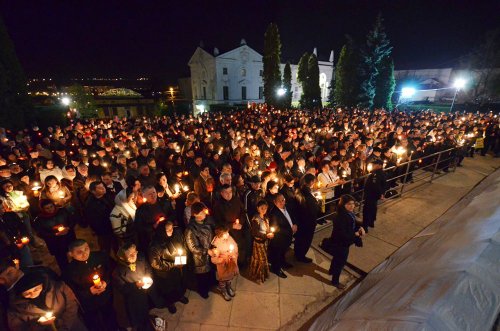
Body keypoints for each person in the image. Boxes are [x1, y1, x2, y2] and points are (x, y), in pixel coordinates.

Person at [63, 239, 117, 330]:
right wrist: (89, 291)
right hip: (88, 303)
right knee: (95, 323)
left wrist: (105, 282)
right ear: (70, 254)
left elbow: (112, 269)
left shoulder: (100, 256)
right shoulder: (69, 271)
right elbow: (70, 291)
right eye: (79, 252)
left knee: (110, 316)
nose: (85, 254)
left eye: (86, 249)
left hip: (106, 296)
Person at [7, 270, 87, 330]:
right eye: (27, 293)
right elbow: (18, 327)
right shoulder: (16, 308)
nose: (33, 294)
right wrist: (39, 324)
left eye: (36, 289)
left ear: (43, 284)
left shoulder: (59, 288)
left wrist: (64, 326)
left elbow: (72, 305)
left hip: (72, 325)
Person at [112, 242, 157, 331]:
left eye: (135, 252)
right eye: (130, 254)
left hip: (144, 292)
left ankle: (147, 321)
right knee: (137, 314)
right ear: (121, 257)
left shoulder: (141, 258)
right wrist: (135, 285)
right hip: (133, 297)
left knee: (145, 308)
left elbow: (148, 269)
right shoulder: (117, 272)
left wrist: (148, 278)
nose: (134, 255)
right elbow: (122, 288)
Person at [149, 221, 189, 314]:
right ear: (162, 231)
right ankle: (170, 303)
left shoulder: (174, 236)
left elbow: (182, 247)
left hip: (176, 269)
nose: (172, 231)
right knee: (168, 289)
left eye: (172, 228)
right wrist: (173, 264)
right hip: (165, 273)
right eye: (169, 229)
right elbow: (155, 263)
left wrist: (183, 257)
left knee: (178, 284)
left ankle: (180, 296)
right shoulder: (155, 245)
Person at [329, 194, 365, 289]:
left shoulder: (348, 213)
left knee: (336, 258)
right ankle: (335, 281)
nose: (352, 206)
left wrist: (360, 227)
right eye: (349, 204)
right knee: (340, 262)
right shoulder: (341, 217)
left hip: (342, 241)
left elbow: (353, 223)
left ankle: (331, 270)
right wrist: (356, 234)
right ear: (343, 204)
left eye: (353, 204)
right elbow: (343, 234)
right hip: (341, 242)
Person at [32, 199, 75, 269]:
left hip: (68, 238)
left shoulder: (62, 211)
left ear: (54, 205)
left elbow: (72, 220)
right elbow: (41, 233)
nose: (50, 209)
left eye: (51, 206)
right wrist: (54, 235)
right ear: (43, 209)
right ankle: (66, 273)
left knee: (74, 254)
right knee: (62, 260)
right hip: (55, 243)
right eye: (47, 208)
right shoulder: (40, 220)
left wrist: (68, 228)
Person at [185, 202, 215, 299]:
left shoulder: (208, 220)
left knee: (211, 271)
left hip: (210, 251)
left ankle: (212, 283)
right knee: (203, 276)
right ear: (195, 214)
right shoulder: (191, 229)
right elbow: (193, 247)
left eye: (204, 211)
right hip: (200, 258)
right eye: (202, 212)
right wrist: (207, 251)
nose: (204, 214)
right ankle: (203, 290)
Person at [268, 193, 297, 278]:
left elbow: (292, 216)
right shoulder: (274, 213)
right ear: (275, 202)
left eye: (283, 200)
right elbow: (276, 228)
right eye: (279, 201)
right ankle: (276, 269)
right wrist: (290, 230)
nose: (282, 202)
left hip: (287, 237)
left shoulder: (286, 207)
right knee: (277, 254)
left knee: (283, 251)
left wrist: (294, 224)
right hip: (279, 239)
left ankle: (283, 262)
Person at [294, 174, 320, 263]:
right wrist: (317, 203)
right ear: (312, 182)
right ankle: (301, 256)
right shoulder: (307, 193)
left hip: (301, 220)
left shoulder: (299, 190)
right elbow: (312, 209)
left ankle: (297, 253)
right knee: (305, 240)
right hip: (307, 222)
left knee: (299, 238)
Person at [210, 225, 239, 301]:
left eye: (228, 232)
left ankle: (228, 287)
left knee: (229, 277)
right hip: (223, 266)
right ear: (220, 234)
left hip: (231, 263)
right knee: (223, 279)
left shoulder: (229, 238)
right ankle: (223, 290)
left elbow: (235, 247)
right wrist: (222, 260)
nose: (228, 234)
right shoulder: (216, 244)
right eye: (226, 233)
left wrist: (233, 254)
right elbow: (214, 259)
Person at [85, 181, 114, 253]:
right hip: (103, 230)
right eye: (100, 188)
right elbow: (93, 221)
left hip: (113, 226)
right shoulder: (90, 204)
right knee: (105, 248)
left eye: (103, 186)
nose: (103, 189)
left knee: (115, 245)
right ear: (93, 191)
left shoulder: (108, 196)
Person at [249, 200, 273, 283]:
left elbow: (267, 227)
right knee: (262, 259)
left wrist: (270, 233)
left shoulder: (265, 217)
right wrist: (265, 235)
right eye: (262, 208)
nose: (264, 210)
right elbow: (254, 232)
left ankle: (261, 274)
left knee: (262, 258)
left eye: (265, 208)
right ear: (257, 208)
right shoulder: (256, 219)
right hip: (258, 243)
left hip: (264, 241)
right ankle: (258, 275)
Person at [362, 159, 386, 232]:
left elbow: (376, 185)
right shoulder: (380, 173)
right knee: (373, 209)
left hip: (371, 195)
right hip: (374, 195)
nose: (373, 165)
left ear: (379, 165)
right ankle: (371, 222)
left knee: (367, 210)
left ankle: (365, 226)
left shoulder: (376, 174)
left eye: (375, 164)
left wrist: (380, 194)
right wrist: (381, 194)